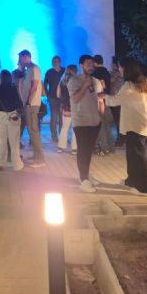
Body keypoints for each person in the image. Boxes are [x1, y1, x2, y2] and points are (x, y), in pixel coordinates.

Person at [103, 57, 147, 195]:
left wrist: (103, 96)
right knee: (133, 154)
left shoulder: (128, 85)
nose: (119, 69)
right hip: (144, 122)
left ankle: (146, 188)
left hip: (136, 124)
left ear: (126, 69)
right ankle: (132, 180)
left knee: (138, 156)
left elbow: (115, 101)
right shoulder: (144, 82)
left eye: (120, 67)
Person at [67, 54, 104, 193]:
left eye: (92, 63)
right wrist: (85, 86)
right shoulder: (74, 81)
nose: (91, 66)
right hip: (81, 121)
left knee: (89, 150)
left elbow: (100, 100)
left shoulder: (96, 81)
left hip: (95, 121)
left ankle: (86, 175)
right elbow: (75, 99)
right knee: (82, 150)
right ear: (81, 64)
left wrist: (101, 115)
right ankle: (83, 180)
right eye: (88, 63)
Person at [18, 49, 45, 168]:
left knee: (34, 132)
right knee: (31, 131)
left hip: (32, 105)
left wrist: (28, 102)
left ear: (25, 57)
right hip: (28, 104)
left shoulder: (34, 68)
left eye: (20, 58)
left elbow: (35, 86)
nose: (19, 61)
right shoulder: (29, 69)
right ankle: (36, 155)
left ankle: (40, 159)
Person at [0, 70, 24, 171]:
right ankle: (17, 165)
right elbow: (18, 102)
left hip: (0, 115)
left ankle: (0, 163)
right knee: (14, 141)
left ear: (0, 78)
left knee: (1, 141)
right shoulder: (13, 88)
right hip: (13, 115)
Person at [93, 55, 114, 155]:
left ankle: (104, 148)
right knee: (107, 126)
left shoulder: (95, 73)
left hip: (99, 101)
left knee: (101, 126)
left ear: (94, 62)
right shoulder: (106, 72)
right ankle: (111, 147)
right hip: (107, 99)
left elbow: (102, 85)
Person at [57, 64, 78, 154]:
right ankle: (74, 148)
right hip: (74, 106)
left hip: (65, 106)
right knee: (75, 128)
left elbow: (58, 94)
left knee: (64, 127)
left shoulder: (61, 81)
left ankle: (61, 147)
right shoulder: (75, 81)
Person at [44, 56, 65, 143]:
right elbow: (45, 84)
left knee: (62, 118)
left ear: (60, 62)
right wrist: (48, 96)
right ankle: (54, 136)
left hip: (63, 98)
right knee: (54, 118)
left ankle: (62, 136)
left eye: (56, 61)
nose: (54, 63)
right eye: (53, 61)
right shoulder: (49, 72)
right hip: (52, 98)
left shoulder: (64, 71)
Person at [109, 56, 124, 146]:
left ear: (115, 64)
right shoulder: (122, 74)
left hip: (116, 100)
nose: (110, 65)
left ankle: (120, 140)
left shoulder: (115, 74)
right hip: (121, 100)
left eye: (111, 63)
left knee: (118, 121)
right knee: (120, 121)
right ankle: (122, 139)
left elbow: (109, 81)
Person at [11, 60, 27, 146]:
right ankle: (15, 141)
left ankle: (17, 140)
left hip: (25, 101)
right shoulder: (14, 73)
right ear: (18, 64)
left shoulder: (26, 73)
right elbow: (17, 83)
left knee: (23, 122)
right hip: (16, 101)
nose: (23, 65)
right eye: (21, 63)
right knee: (17, 122)